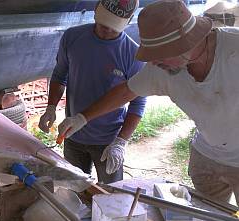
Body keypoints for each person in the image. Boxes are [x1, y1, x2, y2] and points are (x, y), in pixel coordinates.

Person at [58, 0, 239, 204]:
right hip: (206, 154)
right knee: (209, 213)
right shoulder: (162, 68)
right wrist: (83, 118)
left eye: (158, 55)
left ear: (182, 47)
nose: (152, 62)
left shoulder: (234, 49)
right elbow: (126, 90)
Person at [38, 0, 147, 184]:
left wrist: (120, 142)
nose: (107, 30)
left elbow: (138, 102)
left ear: (128, 22)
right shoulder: (72, 38)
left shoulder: (133, 54)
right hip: (72, 134)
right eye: (104, 23)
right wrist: (50, 107)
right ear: (96, 9)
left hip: (108, 141)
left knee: (111, 194)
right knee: (75, 189)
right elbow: (59, 74)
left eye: (114, 27)